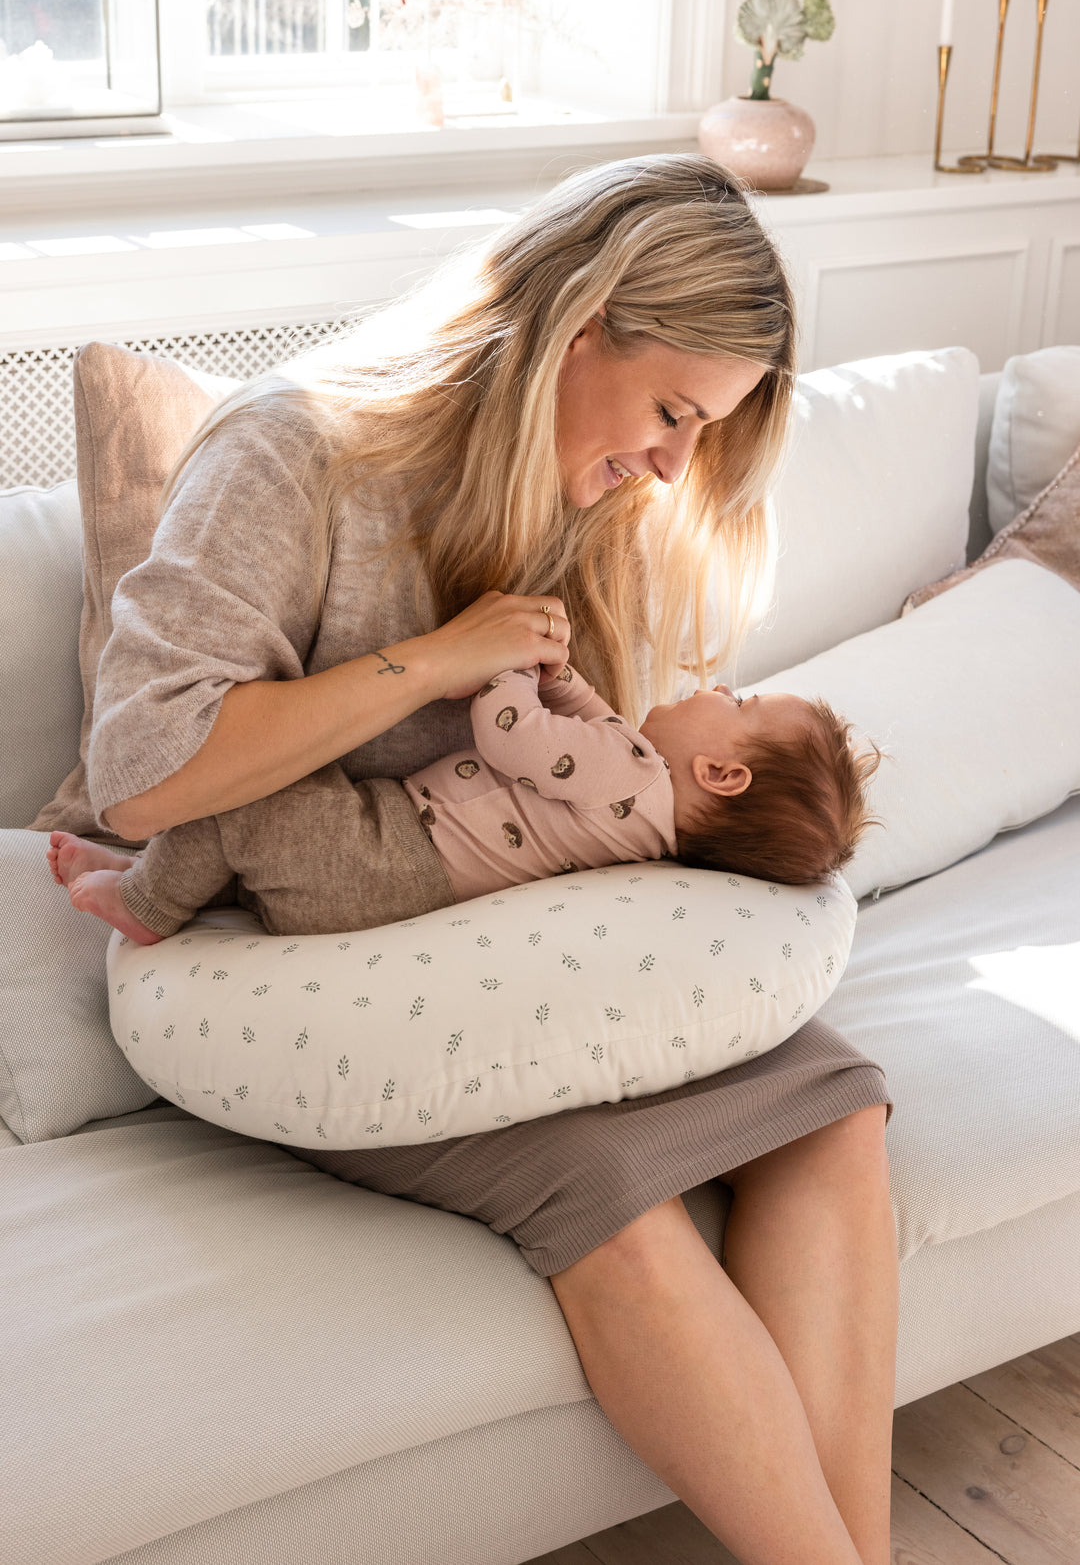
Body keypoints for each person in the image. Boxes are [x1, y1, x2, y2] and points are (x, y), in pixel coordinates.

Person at [28, 155, 897, 1565]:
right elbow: (148, 770)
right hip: (329, 960)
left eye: (705, 431)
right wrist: (428, 662)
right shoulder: (292, 452)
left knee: (835, 1107)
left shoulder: (590, 494)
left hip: (512, 937)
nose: (676, 463)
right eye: (674, 411)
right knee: (624, 1205)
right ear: (581, 319)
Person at [47, 664, 881, 946]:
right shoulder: (643, 801)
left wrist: (510, 665)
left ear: (722, 775)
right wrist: (565, 671)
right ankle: (165, 876)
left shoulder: (632, 774)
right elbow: (587, 725)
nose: (721, 687)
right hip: (395, 861)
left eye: (741, 706)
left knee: (250, 797)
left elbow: (512, 734)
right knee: (280, 834)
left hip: (393, 860)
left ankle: (148, 901)